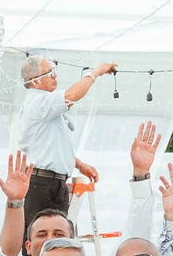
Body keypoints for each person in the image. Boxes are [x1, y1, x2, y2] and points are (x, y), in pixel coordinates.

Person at [14, 55, 115, 220]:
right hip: (41, 183)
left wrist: (79, 164)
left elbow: (53, 145)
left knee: (58, 238)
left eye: (54, 71)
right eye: (50, 72)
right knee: (40, 236)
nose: (55, 76)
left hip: (52, 182)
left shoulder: (45, 106)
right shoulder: (38, 102)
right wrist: (96, 72)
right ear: (35, 81)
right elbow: (72, 95)